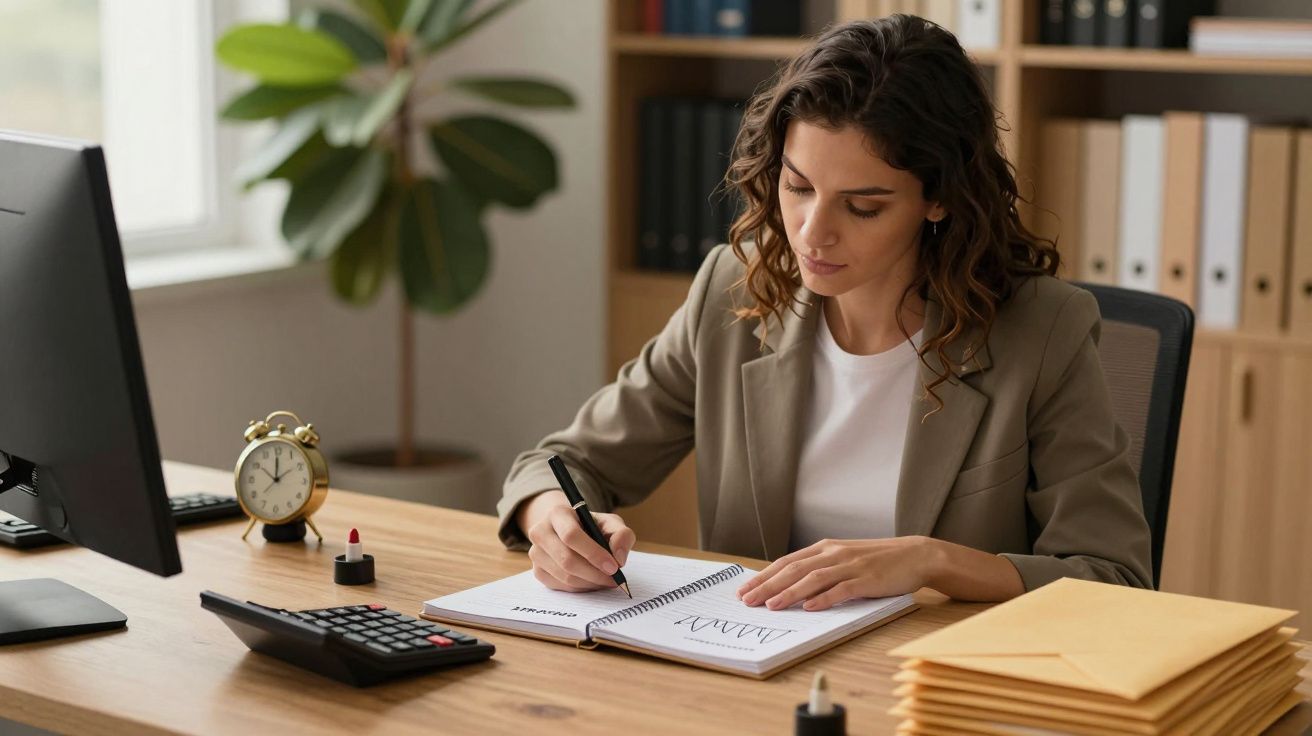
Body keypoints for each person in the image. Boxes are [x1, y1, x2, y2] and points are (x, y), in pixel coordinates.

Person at [496, 14, 1153, 612]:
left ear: (940, 198)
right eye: (797, 187)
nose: (812, 232)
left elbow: (1113, 576)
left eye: (862, 206)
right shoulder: (735, 294)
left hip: (936, 689)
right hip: (754, 670)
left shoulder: (1042, 332)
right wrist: (550, 516)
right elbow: (561, 461)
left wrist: (931, 561)